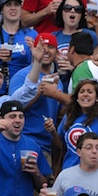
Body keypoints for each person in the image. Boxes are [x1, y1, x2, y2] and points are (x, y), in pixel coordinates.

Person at [10, 33, 64, 166]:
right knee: (25, 183)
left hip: (47, 146)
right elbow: (13, 108)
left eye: (50, 47)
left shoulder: (57, 80)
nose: (46, 50)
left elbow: (59, 114)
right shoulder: (22, 75)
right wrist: (39, 92)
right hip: (26, 142)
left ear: (57, 53)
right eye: (42, 46)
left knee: (43, 185)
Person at [0, 0, 38, 95]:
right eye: (8, 5)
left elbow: (38, 66)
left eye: (16, 5)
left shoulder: (32, 34)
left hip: (22, 88)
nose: (13, 8)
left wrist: (34, 53)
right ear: (1, 10)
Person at [55, 78, 98, 170]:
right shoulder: (69, 116)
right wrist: (52, 131)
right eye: (82, 91)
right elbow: (61, 145)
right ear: (77, 97)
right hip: (72, 171)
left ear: (97, 98)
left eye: (90, 92)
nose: (85, 94)